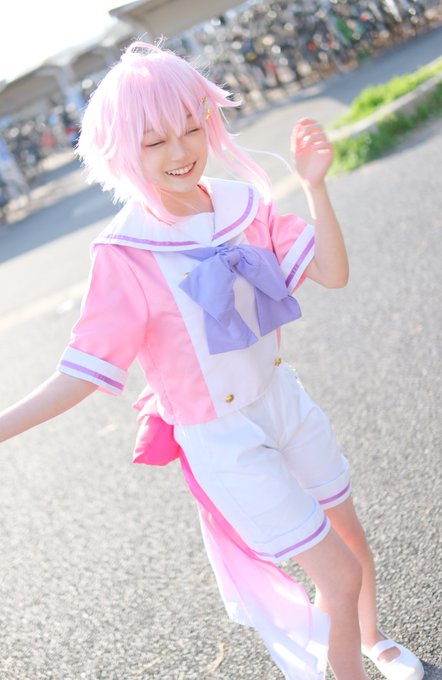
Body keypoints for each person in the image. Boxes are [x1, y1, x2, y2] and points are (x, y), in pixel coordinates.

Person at [0, 41, 424, 680]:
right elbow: (80, 373)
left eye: (191, 127)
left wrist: (315, 187)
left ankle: (374, 639)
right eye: (154, 141)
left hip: (282, 398)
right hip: (223, 438)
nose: (180, 151)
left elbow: (332, 274)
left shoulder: (238, 204)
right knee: (337, 576)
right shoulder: (125, 253)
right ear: (120, 150)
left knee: (351, 539)